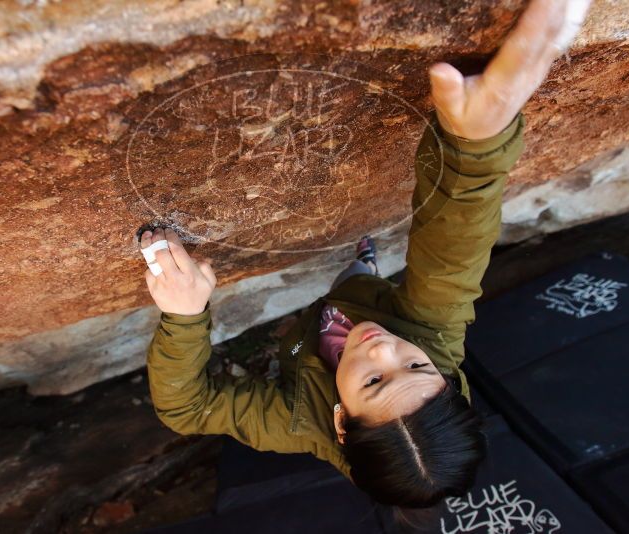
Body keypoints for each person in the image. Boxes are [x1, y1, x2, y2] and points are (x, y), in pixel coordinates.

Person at [141, 0, 589, 515]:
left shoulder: (295, 422)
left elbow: (187, 407)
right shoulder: (435, 335)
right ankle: (362, 270)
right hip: (362, 299)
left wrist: (184, 316)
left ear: (338, 420)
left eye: (374, 382)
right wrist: (475, 144)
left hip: (312, 341)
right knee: (356, 282)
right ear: (442, 377)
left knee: (342, 300)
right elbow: (454, 251)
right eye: (415, 365)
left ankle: (347, 288)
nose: (383, 351)